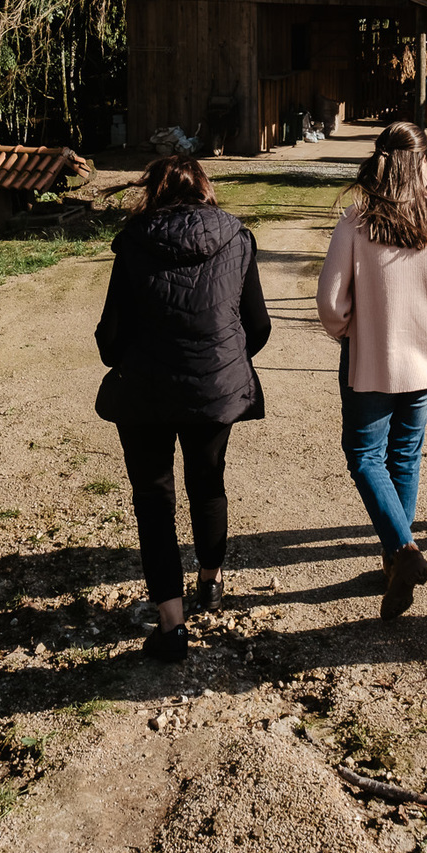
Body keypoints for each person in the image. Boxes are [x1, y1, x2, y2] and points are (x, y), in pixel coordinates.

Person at [94, 153, 270, 664]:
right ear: (205, 188)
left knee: (153, 500)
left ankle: (171, 626)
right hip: (213, 389)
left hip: (144, 391)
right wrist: (221, 364)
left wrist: (119, 356)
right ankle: (210, 583)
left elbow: (113, 332)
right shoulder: (238, 237)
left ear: (153, 191)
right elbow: (257, 326)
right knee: (207, 482)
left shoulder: (132, 242)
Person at [316, 121, 427, 621]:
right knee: (404, 455)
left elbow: (329, 302)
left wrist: (347, 330)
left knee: (364, 454)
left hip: (373, 359)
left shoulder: (358, 219)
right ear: (425, 162)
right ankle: (395, 559)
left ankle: (403, 554)